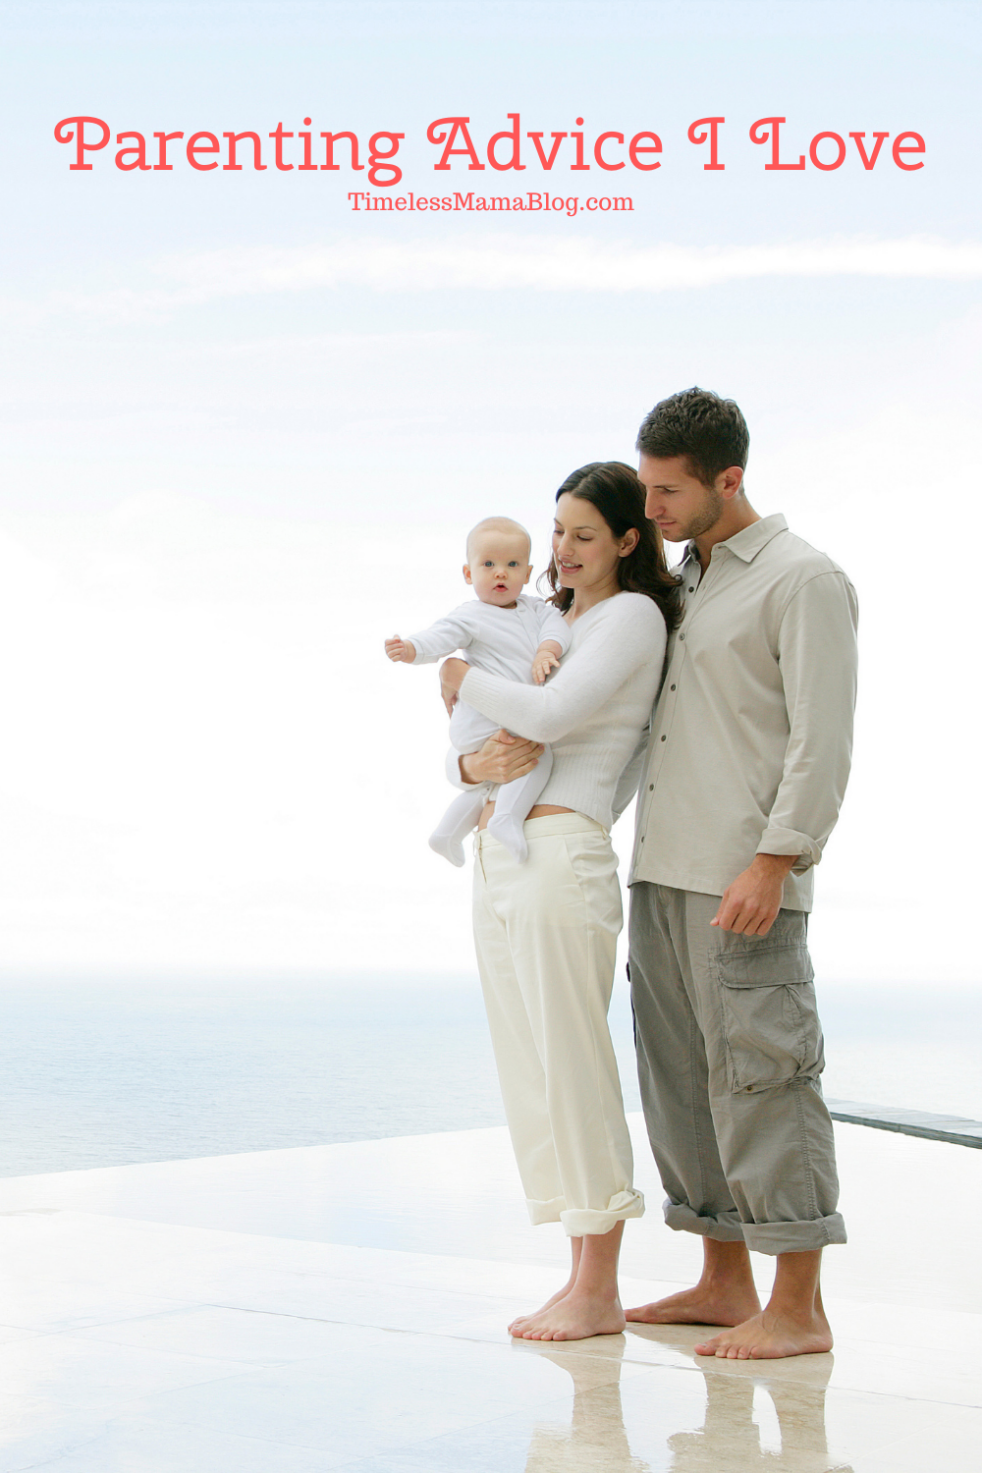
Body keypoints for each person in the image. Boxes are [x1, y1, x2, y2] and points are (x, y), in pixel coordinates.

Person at [625, 387, 859, 1360]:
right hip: (660, 870)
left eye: (669, 491)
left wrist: (775, 859)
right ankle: (724, 1281)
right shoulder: (681, 584)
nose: (653, 511)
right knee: (682, 1082)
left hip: (743, 876)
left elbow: (823, 740)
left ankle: (797, 1306)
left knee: (765, 1078)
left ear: (730, 477)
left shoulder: (802, 581)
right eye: (644, 489)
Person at [439, 461, 681, 1341]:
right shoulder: (550, 620)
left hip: (558, 853)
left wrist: (460, 676)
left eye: (585, 534)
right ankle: (578, 1274)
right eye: (558, 533)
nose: (563, 551)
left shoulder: (632, 616)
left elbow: (546, 717)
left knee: (573, 1062)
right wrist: (463, 764)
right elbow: (482, 746)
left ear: (627, 539)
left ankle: (600, 1284)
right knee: (530, 1063)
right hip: (500, 851)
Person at [385, 517, 571, 865]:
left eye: (512, 564)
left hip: (494, 719)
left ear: (528, 572)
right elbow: (439, 637)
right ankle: (505, 818)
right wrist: (412, 648)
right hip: (484, 716)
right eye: (489, 564)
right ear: (468, 574)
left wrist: (548, 649)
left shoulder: (535, 609)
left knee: (491, 781)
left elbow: (557, 628)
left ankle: (446, 834)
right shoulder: (470, 616)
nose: (501, 573)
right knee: (536, 755)